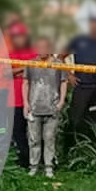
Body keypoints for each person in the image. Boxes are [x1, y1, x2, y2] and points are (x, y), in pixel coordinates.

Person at [64, 13, 96, 150]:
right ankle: (70, 151)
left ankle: (90, 152)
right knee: (75, 120)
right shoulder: (78, 40)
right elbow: (59, 57)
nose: (95, 25)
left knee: (94, 122)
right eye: (92, 22)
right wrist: (68, 75)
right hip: (82, 86)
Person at [24, 38, 68, 178]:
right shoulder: (31, 64)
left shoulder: (58, 64)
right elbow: (25, 83)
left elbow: (64, 82)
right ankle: (34, 166)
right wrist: (26, 103)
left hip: (52, 107)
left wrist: (61, 101)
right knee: (34, 139)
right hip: (34, 107)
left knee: (50, 138)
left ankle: (49, 167)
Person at [4, 22, 34, 169]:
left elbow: (37, 71)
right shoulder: (9, 53)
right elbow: (5, 72)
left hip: (33, 98)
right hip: (14, 99)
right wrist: (26, 68)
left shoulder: (33, 52)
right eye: (14, 37)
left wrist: (18, 70)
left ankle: (36, 159)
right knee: (17, 130)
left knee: (35, 131)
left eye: (20, 36)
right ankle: (24, 158)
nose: (18, 40)